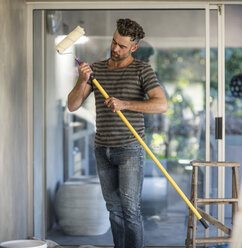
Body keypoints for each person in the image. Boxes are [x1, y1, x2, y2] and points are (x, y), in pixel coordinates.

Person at [67, 18, 167, 248]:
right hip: (102, 148)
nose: (115, 48)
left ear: (134, 48)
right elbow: (73, 105)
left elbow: (161, 104)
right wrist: (83, 80)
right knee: (113, 210)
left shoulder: (142, 69)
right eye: (114, 42)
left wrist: (125, 104)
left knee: (130, 210)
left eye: (122, 46)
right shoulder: (96, 69)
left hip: (130, 147)